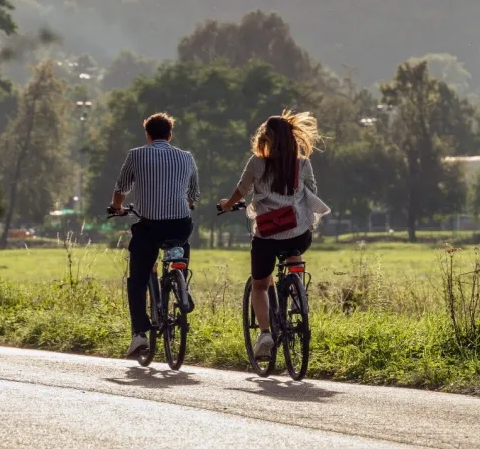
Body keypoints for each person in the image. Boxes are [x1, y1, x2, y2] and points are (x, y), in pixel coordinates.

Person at [219, 110, 330, 360]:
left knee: (259, 285)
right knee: (295, 254)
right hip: (298, 233)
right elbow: (312, 190)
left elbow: (241, 191)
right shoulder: (302, 163)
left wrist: (228, 204)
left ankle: (266, 333)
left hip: (268, 234)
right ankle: (298, 292)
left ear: (266, 138)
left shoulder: (257, 162)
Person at [111, 112, 200, 357]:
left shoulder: (136, 155)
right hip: (179, 224)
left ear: (148, 135)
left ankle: (140, 334)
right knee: (181, 245)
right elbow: (193, 194)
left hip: (149, 225)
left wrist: (117, 206)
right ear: (170, 135)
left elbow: (121, 188)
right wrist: (186, 202)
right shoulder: (186, 157)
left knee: (137, 280)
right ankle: (182, 283)